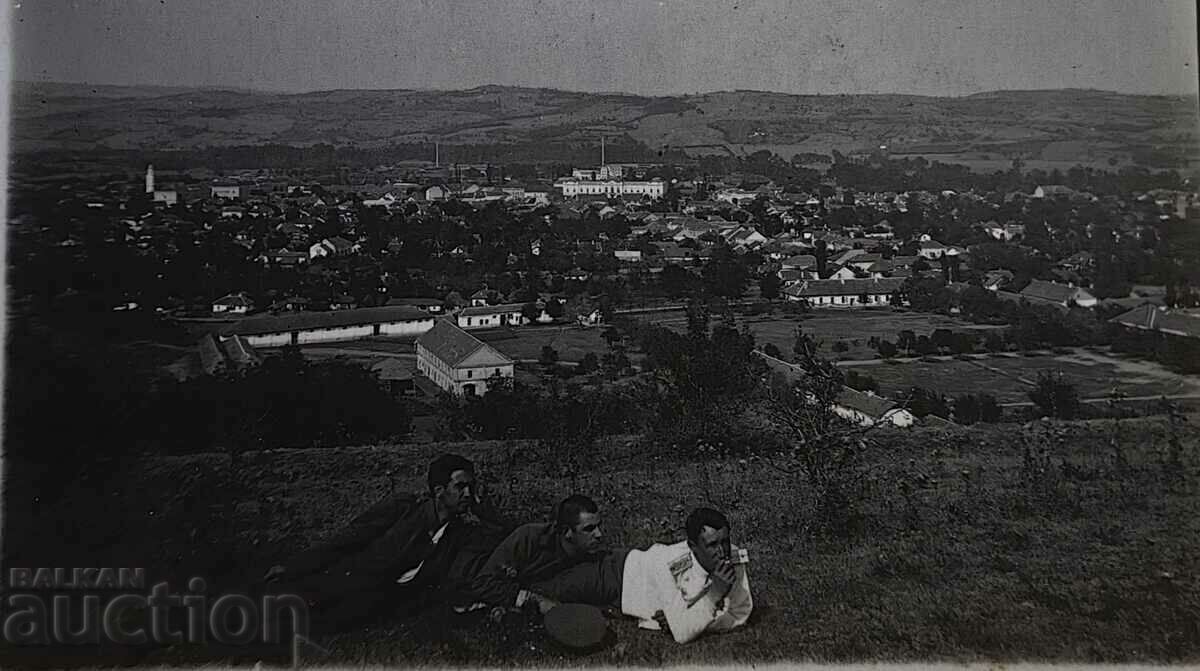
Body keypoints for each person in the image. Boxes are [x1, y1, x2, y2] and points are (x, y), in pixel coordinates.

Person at [264, 453, 509, 634]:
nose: (468, 493)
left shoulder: (459, 532)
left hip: (391, 599)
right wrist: (295, 565)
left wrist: (484, 511)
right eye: (461, 487)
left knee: (327, 624)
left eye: (471, 487)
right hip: (354, 578)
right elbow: (350, 537)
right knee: (288, 613)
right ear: (439, 490)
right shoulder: (404, 508)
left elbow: (504, 537)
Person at [532, 506, 752, 644]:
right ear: (692, 546)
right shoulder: (675, 563)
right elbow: (682, 633)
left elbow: (740, 614)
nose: (722, 551)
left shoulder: (732, 557)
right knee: (543, 589)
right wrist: (714, 595)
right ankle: (505, 596)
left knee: (566, 605)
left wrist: (699, 619)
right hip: (616, 574)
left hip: (624, 602)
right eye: (712, 544)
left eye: (724, 541)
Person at [470, 494, 621, 614]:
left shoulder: (589, 553)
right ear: (566, 531)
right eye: (589, 529)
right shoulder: (529, 538)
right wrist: (534, 600)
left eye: (598, 527)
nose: (599, 534)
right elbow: (482, 584)